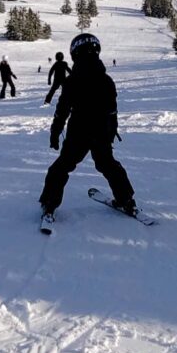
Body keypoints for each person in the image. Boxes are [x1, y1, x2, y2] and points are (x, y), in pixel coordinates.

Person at [41, 32, 135, 218]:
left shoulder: (72, 81)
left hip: (79, 132)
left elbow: (62, 111)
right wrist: (111, 131)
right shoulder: (107, 80)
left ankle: (49, 204)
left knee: (62, 167)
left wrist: (55, 132)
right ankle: (127, 201)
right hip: (101, 131)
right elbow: (112, 110)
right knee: (108, 164)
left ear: (75, 54)